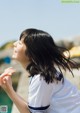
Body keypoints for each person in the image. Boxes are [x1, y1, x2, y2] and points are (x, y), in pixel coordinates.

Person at [0, 28, 80, 113]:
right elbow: (31, 109)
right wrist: (10, 89)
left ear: (33, 52)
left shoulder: (41, 78)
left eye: (20, 43)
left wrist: (9, 90)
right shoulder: (44, 74)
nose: (14, 44)